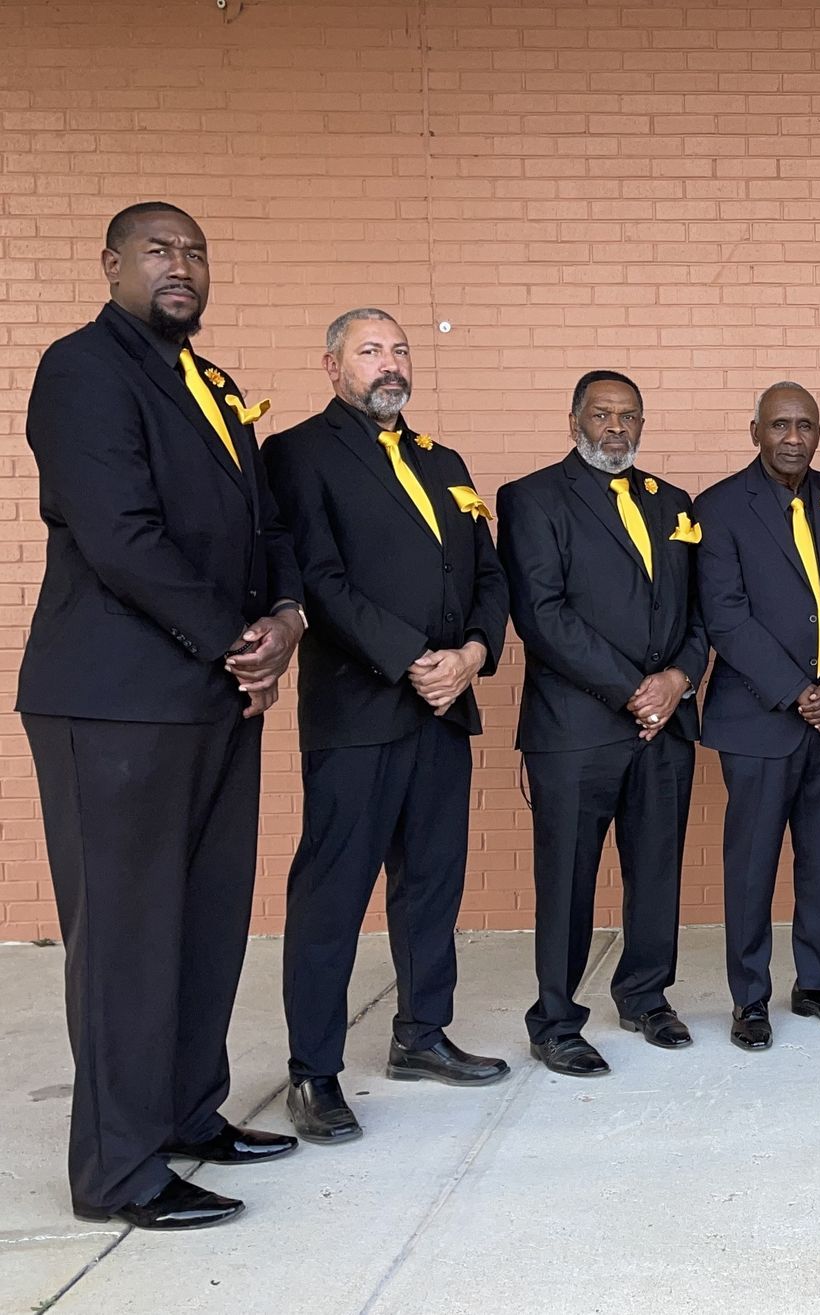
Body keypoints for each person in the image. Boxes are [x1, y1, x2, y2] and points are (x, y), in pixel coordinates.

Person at [18, 201, 304, 1230]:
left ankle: (188, 1114)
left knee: (204, 924)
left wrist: (285, 614)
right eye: (158, 249)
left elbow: (264, 523)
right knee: (127, 940)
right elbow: (120, 536)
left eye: (194, 251)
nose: (180, 265)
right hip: (115, 705)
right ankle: (117, 1170)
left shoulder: (213, 385)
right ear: (111, 264)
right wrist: (235, 639)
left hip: (214, 699)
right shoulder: (83, 370)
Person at [263, 308, 511, 1143]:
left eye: (400, 349)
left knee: (433, 881)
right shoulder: (296, 453)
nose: (389, 363)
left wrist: (473, 652)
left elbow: (489, 572)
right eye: (370, 351)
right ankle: (314, 1070)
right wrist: (415, 657)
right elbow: (318, 581)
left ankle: (421, 1033)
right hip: (359, 708)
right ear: (332, 366)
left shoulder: (445, 461)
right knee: (333, 893)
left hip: (445, 707)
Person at [496, 371, 707, 1077]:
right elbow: (542, 615)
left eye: (629, 415)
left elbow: (700, 614)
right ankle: (555, 1017)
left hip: (664, 725)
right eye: (602, 413)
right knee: (567, 878)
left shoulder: (671, 503)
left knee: (656, 867)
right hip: (575, 728)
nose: (616, 427)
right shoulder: (531, 499)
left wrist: (677, 679)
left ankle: (646, 994)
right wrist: (632, 691)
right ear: (574, 419)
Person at [694, 382, 820, 1051]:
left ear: (819, 431)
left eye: (805, 425)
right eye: (780, 425)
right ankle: (750, 997)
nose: (793, 437)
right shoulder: (717, 507)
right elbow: (726, 615)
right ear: (755, 431)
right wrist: (803, 691)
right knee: (752, 864)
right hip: (759, 718)